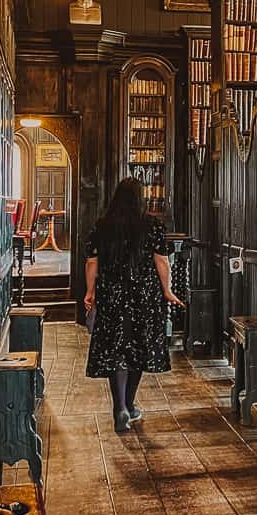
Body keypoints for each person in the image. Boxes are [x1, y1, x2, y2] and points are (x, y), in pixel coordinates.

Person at [84, 177, 184, 432]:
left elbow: (92, 263)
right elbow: (162, 262)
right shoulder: (152, 226)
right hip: (144, 297)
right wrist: (167, 290)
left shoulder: (102, 226)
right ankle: (129, 403)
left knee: (115, 349)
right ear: (140, 199)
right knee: (138, 348)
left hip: (112, 296)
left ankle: (120, 407)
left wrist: (90, 291)